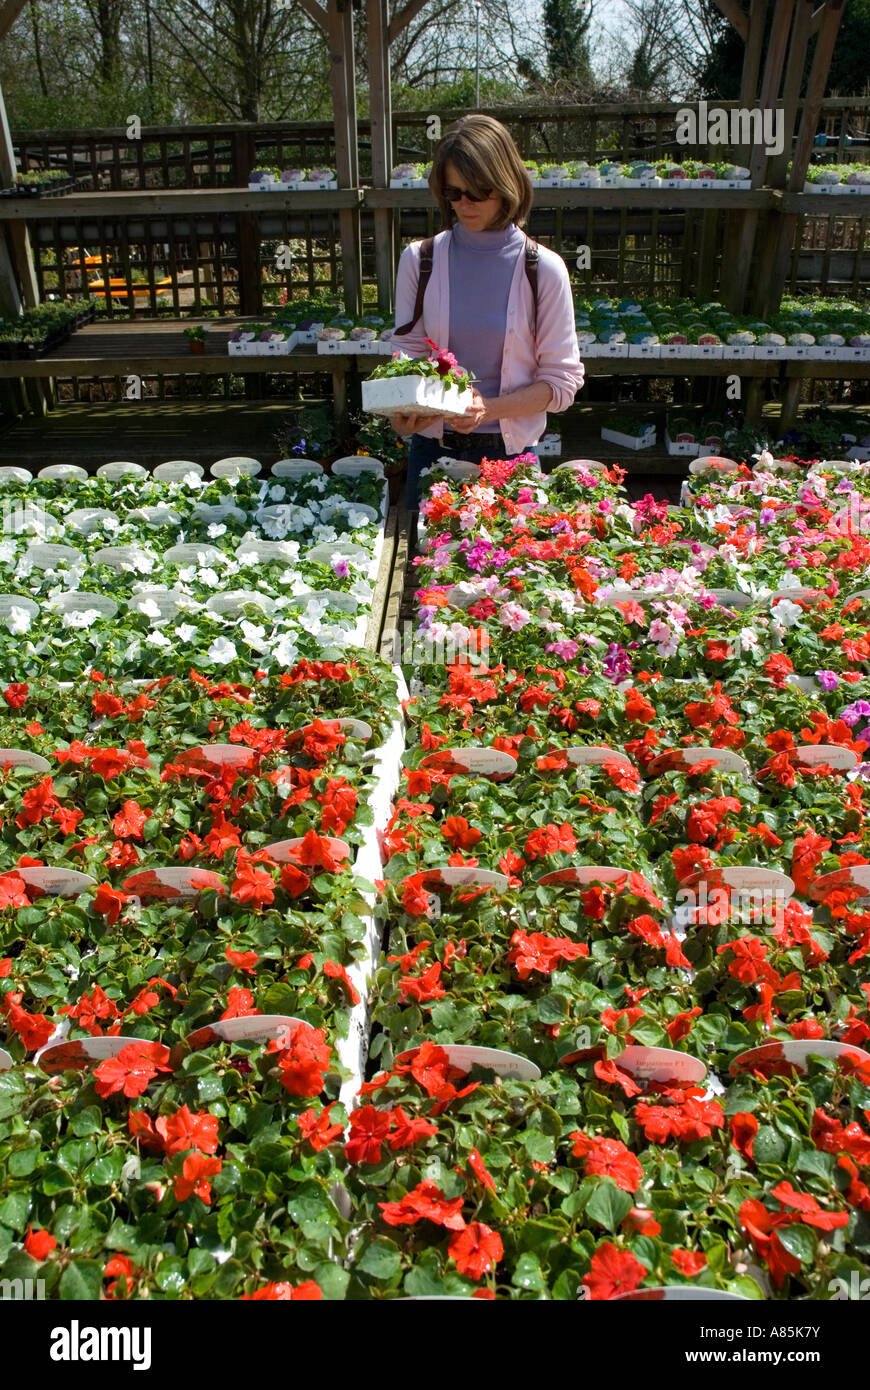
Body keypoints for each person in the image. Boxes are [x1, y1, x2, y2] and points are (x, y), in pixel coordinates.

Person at [389, 113, 584, 510]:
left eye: (476, 192)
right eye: (453, 193)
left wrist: (487, 409)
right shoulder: (420, 259)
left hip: (511, 460)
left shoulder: (542, 269)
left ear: (506, 185)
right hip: (432, 450)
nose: (464, 204)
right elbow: (407, 351)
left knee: (509, 570)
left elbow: (562, 384)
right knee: (422, 569)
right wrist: (401, 408)